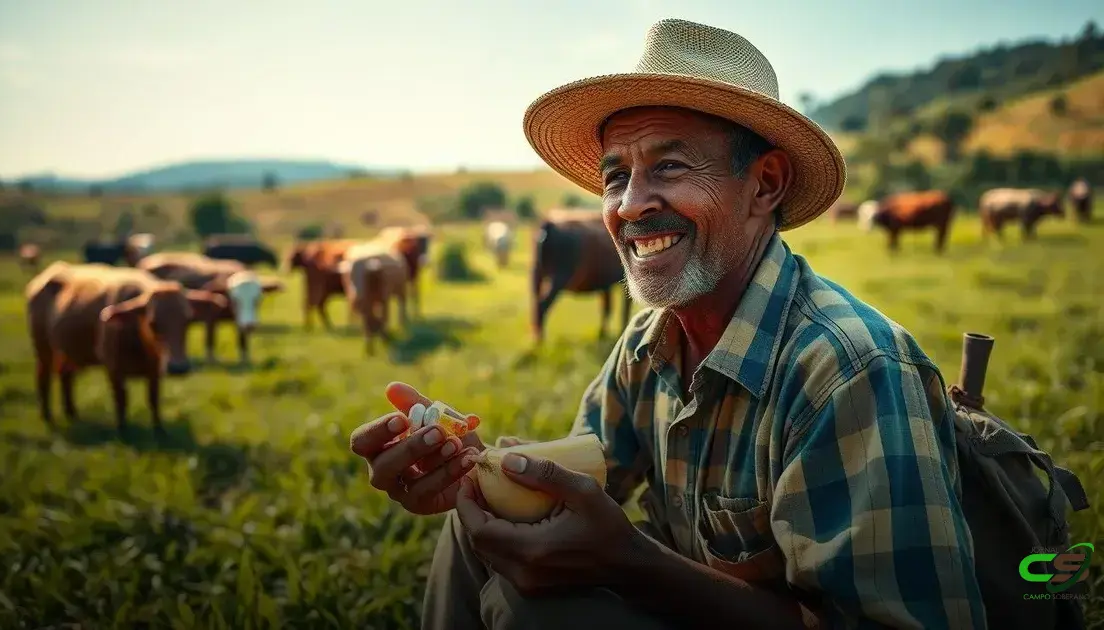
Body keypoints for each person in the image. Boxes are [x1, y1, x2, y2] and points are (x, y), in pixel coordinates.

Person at [349, 18, 987, 630]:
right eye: (616, 176)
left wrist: (630, 563)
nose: (629, 206)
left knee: (534, 613)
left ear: (764, 185)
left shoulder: (850, 372)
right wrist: (469, 470)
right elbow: (576, 485)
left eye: (671, 167)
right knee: (474, 530)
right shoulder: (648, 342)